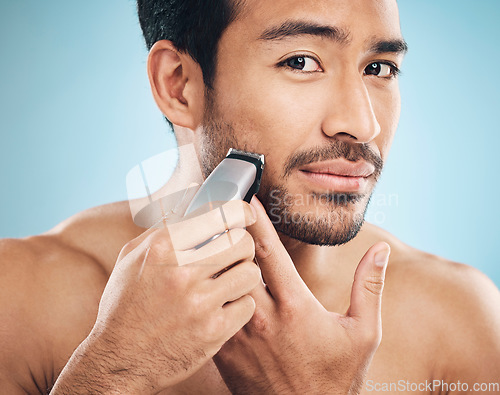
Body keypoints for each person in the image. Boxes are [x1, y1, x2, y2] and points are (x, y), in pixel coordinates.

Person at [1, 0, 499, 393]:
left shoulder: (462, 324)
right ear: (179, 86)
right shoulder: (22, 302)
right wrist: (111, 374)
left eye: (380, 68)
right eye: (301, 61)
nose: (361, 123)